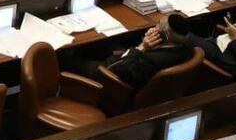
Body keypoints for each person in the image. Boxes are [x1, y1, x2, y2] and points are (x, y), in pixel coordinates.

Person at [66, 14, 194, 88]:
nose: (154, 26)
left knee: (69, 61)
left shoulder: (148, 61)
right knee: (105, 44)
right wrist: (146, 40)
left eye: (158, 25)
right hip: (134, 66)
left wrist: (141, 47)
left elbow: (114, 69)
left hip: (109, 74)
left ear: (163, 35)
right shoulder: (186, 47)